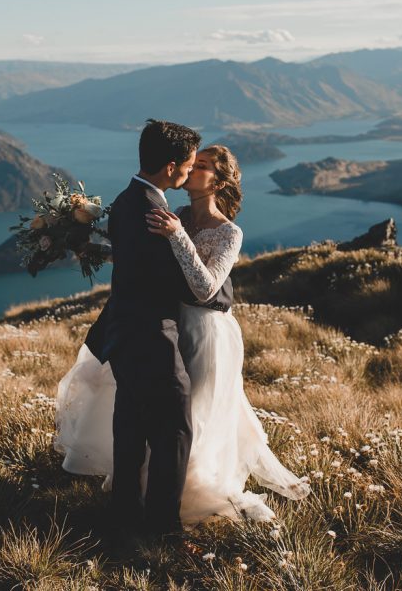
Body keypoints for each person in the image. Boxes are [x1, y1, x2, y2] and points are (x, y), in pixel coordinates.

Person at [54, 136, 310, 546]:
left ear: (218, 182)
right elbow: (141, 259)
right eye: (195, 161)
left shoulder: (230, 233)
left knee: (193, 416)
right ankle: (145, 498)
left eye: (204, 165)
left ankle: (186, 495)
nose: (194, 168)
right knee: (158, 412)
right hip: (166, 324)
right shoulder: (173, 214)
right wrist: (89, 248)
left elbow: (206, 288)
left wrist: (178, 237)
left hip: (207, 331)